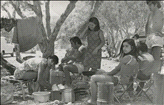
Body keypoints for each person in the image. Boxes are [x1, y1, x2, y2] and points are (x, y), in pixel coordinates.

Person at [87, 39, 139, 105]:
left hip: (119, 80)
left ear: (132, 47)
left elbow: (116, 70)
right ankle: (100, 96)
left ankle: (93, 100)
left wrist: (106, 74)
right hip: (126, 80)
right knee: (100, 71)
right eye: (123, 46)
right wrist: (105, 73)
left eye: (126, 46)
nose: (124, 48)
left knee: (93, 78)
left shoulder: (127, 58)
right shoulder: (134, 57)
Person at [145, 1, 164, 104]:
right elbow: (147, 25)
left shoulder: (162, 13)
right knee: (148, 58)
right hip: (150, 37)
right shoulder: (150, 14)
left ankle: (156, 78)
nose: (149, 6)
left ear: (156, 4)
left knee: (156, 57)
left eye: (150, 4)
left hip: (157, 37)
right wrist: (146, 36)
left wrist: (163, 33)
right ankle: (149, 78)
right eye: (148, 4)